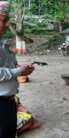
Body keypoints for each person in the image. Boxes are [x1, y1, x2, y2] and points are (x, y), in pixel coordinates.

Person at [0, 2, 35, 137]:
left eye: (7, 20)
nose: (8, 25)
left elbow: (8, 67)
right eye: (3, 21)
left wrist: (22, 70)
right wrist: (18, 71)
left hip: (9, 101)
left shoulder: (3, 43)